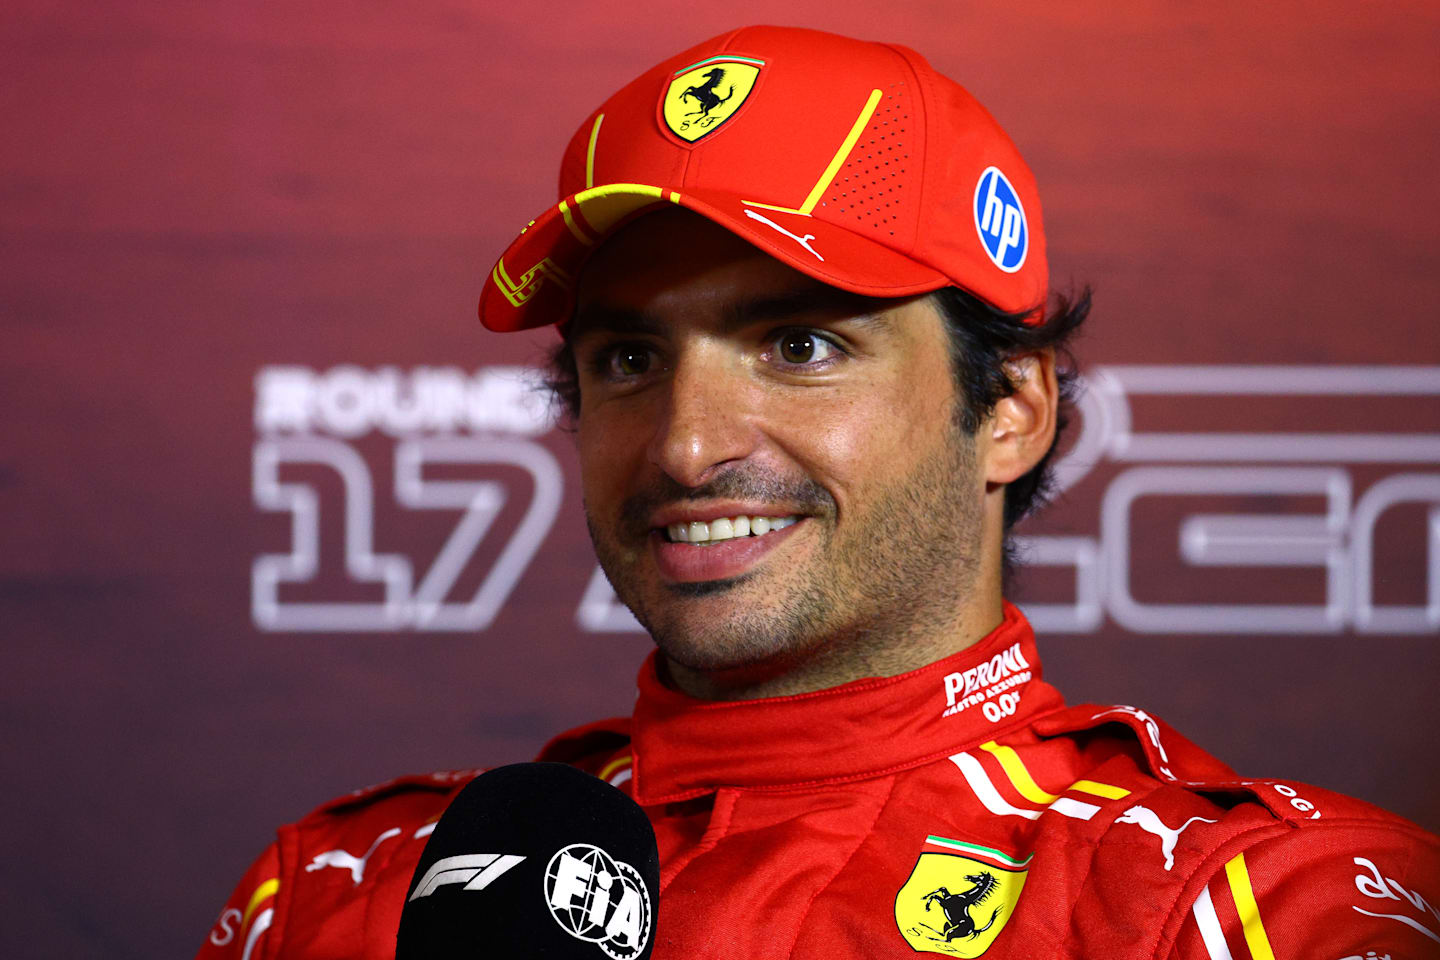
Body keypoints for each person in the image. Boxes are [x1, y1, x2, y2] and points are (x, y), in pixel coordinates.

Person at [198, 25, 1439, 959]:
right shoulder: (341, 893)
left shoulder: (1251, 905)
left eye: (799, 346)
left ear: (1011, 407)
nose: (686, 447)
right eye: (629, 360)